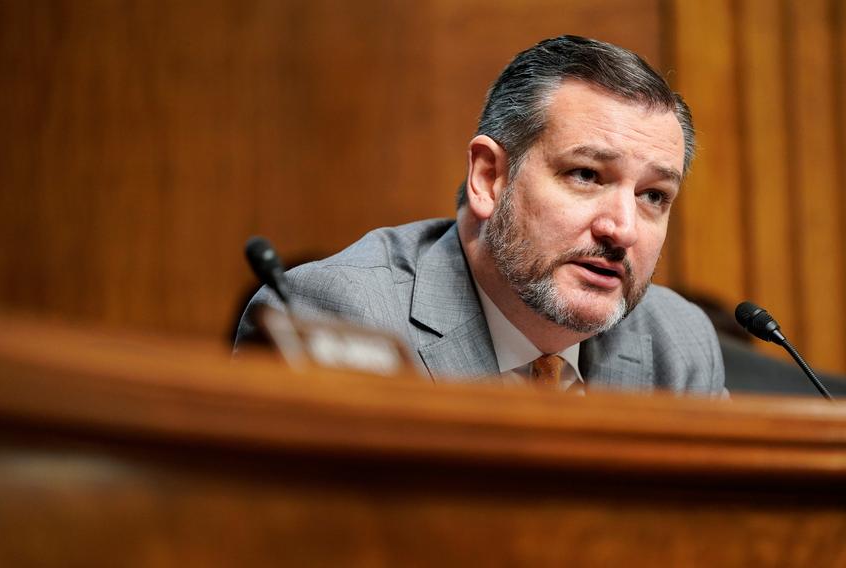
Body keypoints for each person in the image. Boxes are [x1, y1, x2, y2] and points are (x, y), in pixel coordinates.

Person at [236, 35, 725, 395]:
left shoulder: (677, 344)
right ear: (489, 178)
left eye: (654, 197)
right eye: (585, 175)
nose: (622, 228)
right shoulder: (345, 313)